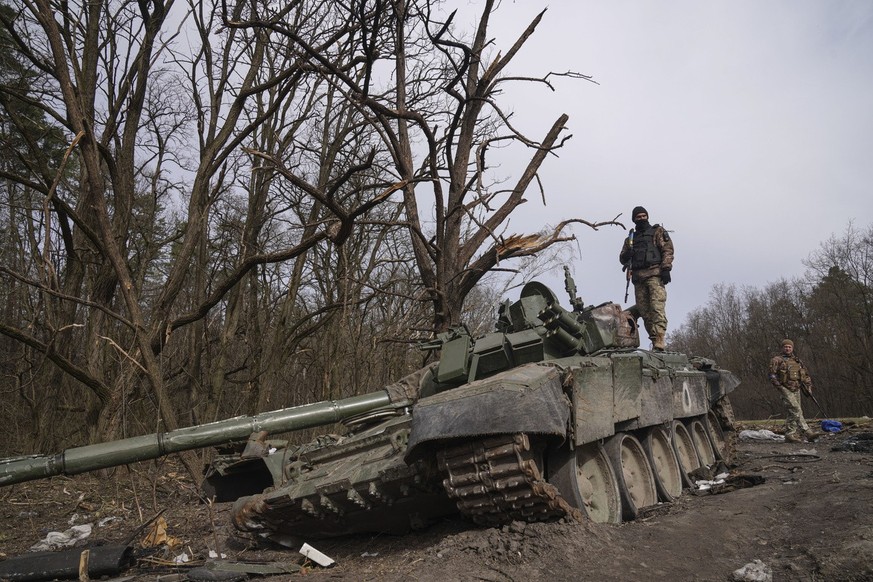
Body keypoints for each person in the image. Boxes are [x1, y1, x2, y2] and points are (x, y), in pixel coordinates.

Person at [619, 206, 674, 351]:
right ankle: (654, 339)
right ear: (634, 219)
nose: (642, 218)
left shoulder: (657, 232)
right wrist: (627, 255)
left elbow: (667, 249)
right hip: (638, 278)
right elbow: (622, 258)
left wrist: (666, 269)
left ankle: (660, 339)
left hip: (654, 275)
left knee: (657, 307)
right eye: (638, 217)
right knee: (645, 312)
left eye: (644, 216)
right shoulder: (630, 239)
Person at [768, 339, 816, 443]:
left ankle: (789, 434)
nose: (787, 348)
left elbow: (805, 375)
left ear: (792, 348)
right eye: (786, 347)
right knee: (795, 409)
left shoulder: (797, 360)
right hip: (785, 388)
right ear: (782, 348)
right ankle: (807, 431)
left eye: (789, 347)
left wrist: (809, 387)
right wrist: (779, 387)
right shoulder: (777, 360)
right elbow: (772, 375)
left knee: (794, 411)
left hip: (797, 388)